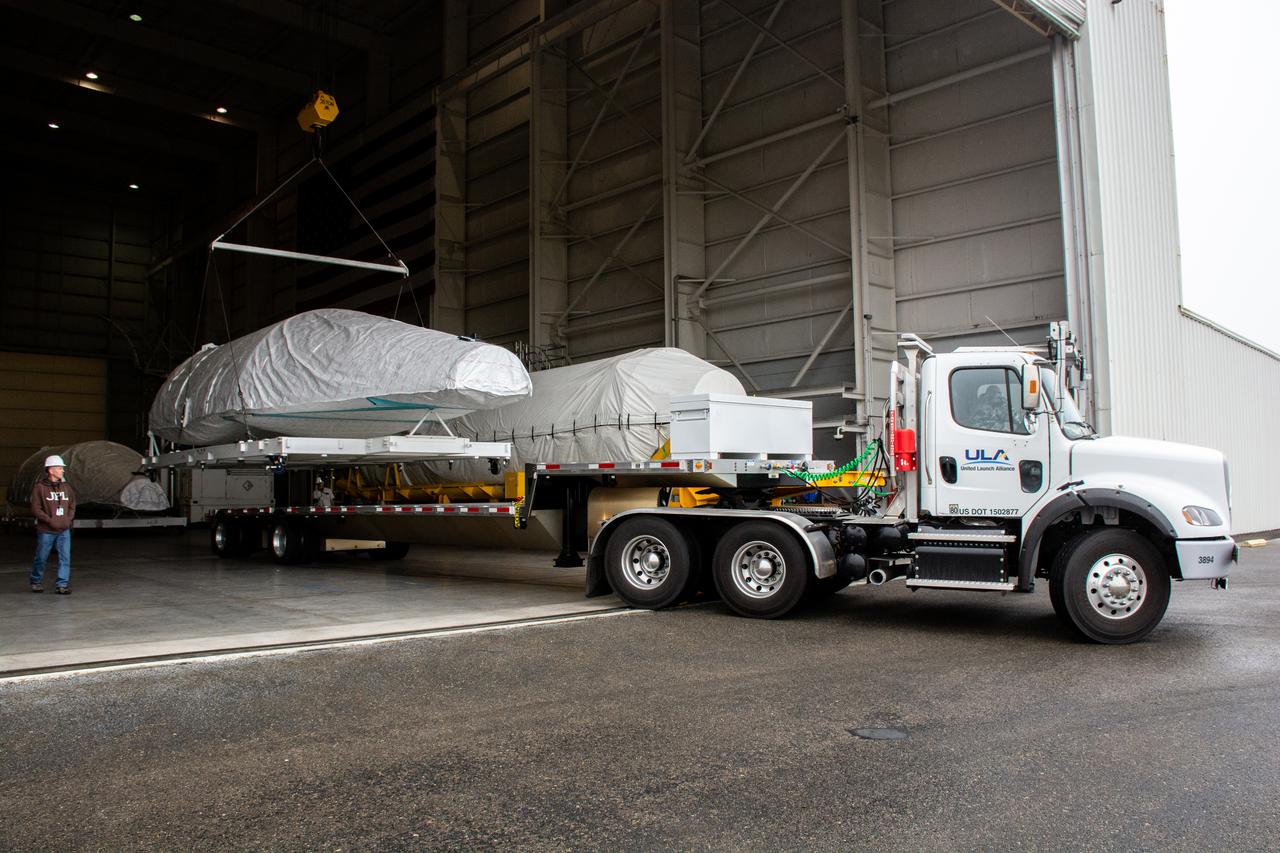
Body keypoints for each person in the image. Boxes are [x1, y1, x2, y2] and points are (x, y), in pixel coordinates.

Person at [29, 454, 76, 594]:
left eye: (62, 468)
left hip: (64, 529)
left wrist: (68, 519)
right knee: (41, 557)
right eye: (60, 468)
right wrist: (50, 521)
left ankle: (62, 584)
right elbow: (35, 509)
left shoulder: (67, 487)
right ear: (51, 470)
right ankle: (36, 581)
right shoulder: (40, 488)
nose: (62, 470)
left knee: (65, 557)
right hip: (46, 530)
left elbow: (72, 504)